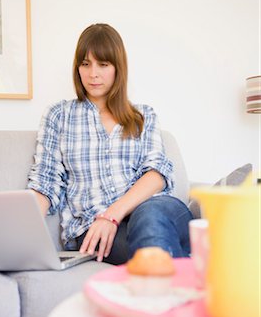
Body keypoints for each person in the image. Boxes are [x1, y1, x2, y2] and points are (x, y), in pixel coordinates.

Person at [28, 23, 193, 265]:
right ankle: (181, 288)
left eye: (103, 64)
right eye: (85, 64)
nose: (93, 73)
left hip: (155, 210)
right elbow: (46, 180)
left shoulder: (143, 115)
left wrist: (112, 215)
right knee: (151, 247)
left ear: (118, 68)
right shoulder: (59, 115)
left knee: (150, 220)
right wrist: (24, 230)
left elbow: (156, 174)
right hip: (93, 228)